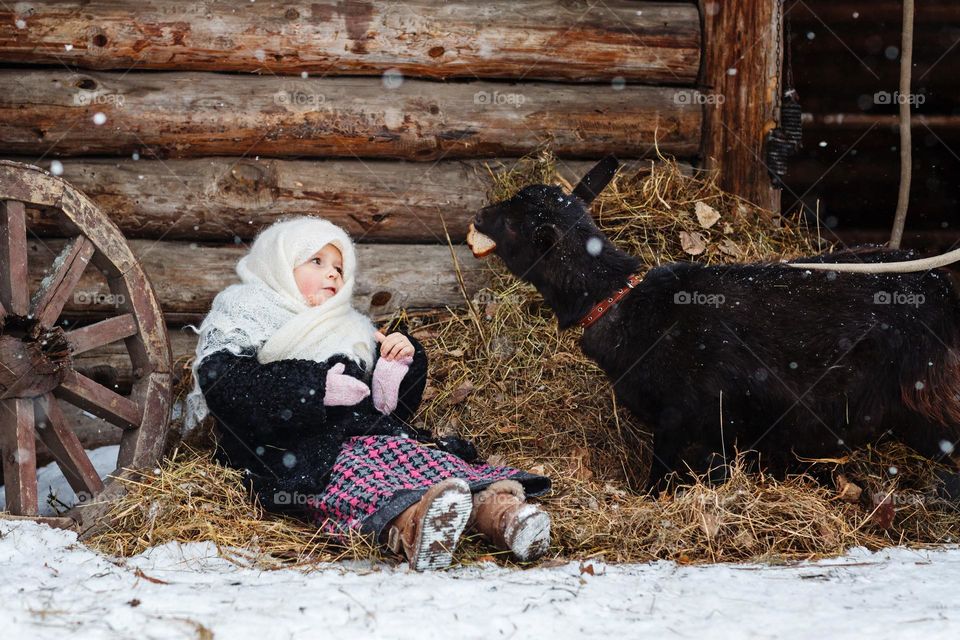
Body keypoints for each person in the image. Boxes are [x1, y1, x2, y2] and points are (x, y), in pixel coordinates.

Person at [186, 217, 552, 570]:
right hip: (290, 451)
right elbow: (226, 385)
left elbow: (385, 412)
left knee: (418, 458)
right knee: (361, 481)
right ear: (279, 264)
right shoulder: (244, 314)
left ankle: (504, 515)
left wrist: (396, 369)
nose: (333, 273)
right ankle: (415, 526)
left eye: (339, 267)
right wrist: (314, 387)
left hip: (364, 437)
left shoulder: (350, 326)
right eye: (317, 261)